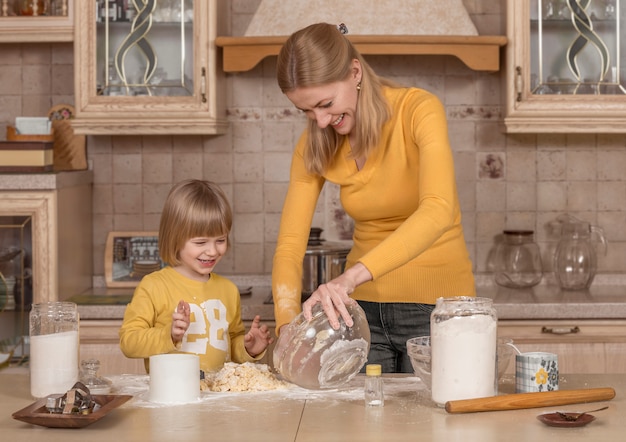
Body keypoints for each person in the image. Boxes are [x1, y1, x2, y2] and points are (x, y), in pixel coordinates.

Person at [271, 23, 475, 373]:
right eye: (306, 111)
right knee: (365, 426)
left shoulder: (418, 110)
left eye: (325, 104)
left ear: (355, 72)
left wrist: (349, 278)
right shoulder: (315, 145)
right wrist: (287, 327)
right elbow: (290, 245)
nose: (319, 121)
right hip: (361, 313)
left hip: (438, 309)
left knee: (438, 425)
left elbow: (438, 210)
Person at [120, 179, 273, 374]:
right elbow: (129, 342)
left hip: (217, 397)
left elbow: (230, 345)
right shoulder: (154, 286)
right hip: (172, 397)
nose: (212, 251)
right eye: (200, 242)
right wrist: (169, 335)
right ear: (175, 240)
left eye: (220, 240)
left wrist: (247, 348)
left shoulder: (228, 290)